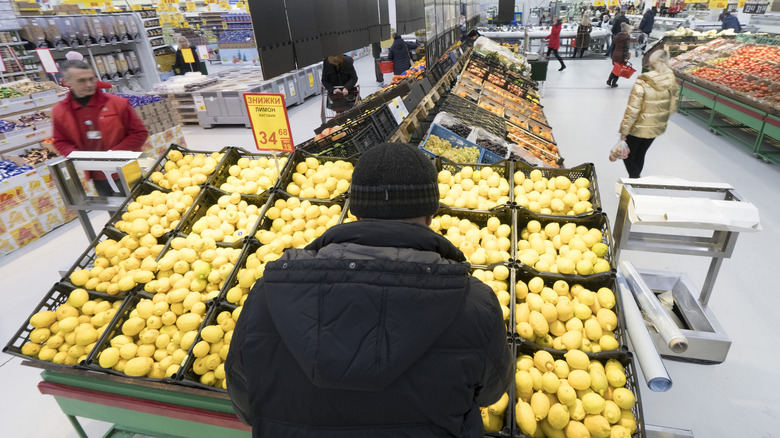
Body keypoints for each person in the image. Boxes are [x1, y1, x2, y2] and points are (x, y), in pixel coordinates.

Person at [225, 142, 513, 438]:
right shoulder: (475, 304)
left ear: (355, 212)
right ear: (430, 215)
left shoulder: (268, 294)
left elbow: (246, 405)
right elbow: (490, 394)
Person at [52, 60, 148, 197]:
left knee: (141, 213)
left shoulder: (117, 103)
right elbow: (60, 141)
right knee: (117, 215)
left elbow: (139, 133)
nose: (90, 84)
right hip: (97, 176)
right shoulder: (60, 111)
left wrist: (111, 156)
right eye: (82, 81)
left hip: (127, 169)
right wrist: (79, 157)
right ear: (67, 81)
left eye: (92, 79)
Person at [617, 50, 679, 178]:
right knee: (640, 153)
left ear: (650, 63)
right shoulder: (670, 79)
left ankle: (635, 180)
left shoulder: (643, 82)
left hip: (638, 128)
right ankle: (635, 179)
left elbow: (633, 110)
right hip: (656, 126)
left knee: (626, 154)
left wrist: (624, 131)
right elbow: (673, 106)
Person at [607, 22, 632, 87]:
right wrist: (626, 57)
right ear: (627, 30)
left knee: (616, 68)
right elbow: (626, 48)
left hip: (615, 54)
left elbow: (613, 46)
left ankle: (609, 80)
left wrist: (612, 54)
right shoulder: (627, 37)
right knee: (619, 69)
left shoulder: (617, 35)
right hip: (621, 55)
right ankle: (613, 83)